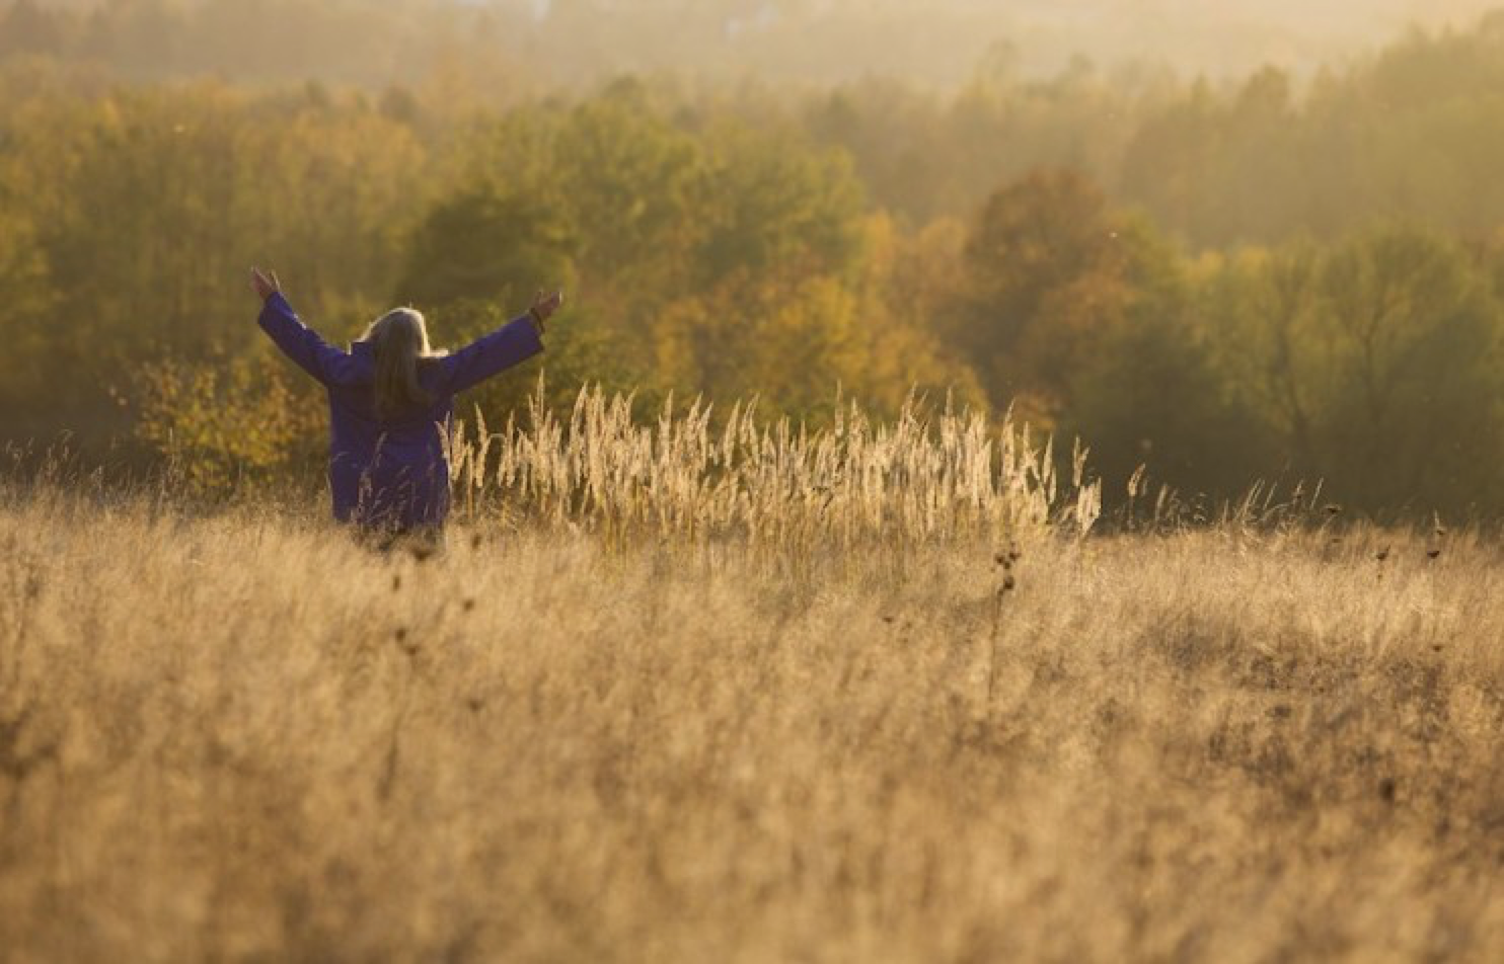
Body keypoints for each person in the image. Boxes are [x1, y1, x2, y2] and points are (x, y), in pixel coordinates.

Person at [249, 266, 563, 549]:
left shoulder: (344, 372)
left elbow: (306, 343)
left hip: (363, 496)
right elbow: (484, 352)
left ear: (374, 338)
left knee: (366, 582)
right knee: (422, 585)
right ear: (419, 342)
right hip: (422, 497)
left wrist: (275, 301)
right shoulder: (438, 377)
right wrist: (533, 320)